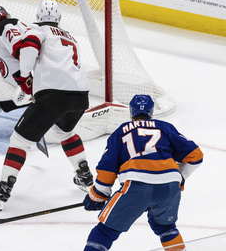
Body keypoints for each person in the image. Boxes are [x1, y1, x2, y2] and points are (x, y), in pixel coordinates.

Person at [0, 2, 129, 142]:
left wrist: (24, 77)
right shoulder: (20, 25)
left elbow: (23, 50)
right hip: (26, 83)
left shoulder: (6, 28)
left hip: (20, 85)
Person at [0, 0, 95, 211]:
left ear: (38, 16)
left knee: (19, 140)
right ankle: (85, 178)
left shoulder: (37, 30)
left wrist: (25, 76)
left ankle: (2, 192)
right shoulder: (69, 36)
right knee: (65, 133)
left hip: (53, 94)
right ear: (58, 19)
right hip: (80, 96)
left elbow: (29, 47)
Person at [82, 94, 204, 251]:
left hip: (136, 185)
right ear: (151, 112)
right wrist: (180, 177)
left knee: (105, 231)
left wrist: (97, 195)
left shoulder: (121, 131)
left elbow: (107, 168)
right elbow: (196, 156)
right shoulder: (165, 127)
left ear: (131, 113)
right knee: (166, 228)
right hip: (169, 187)